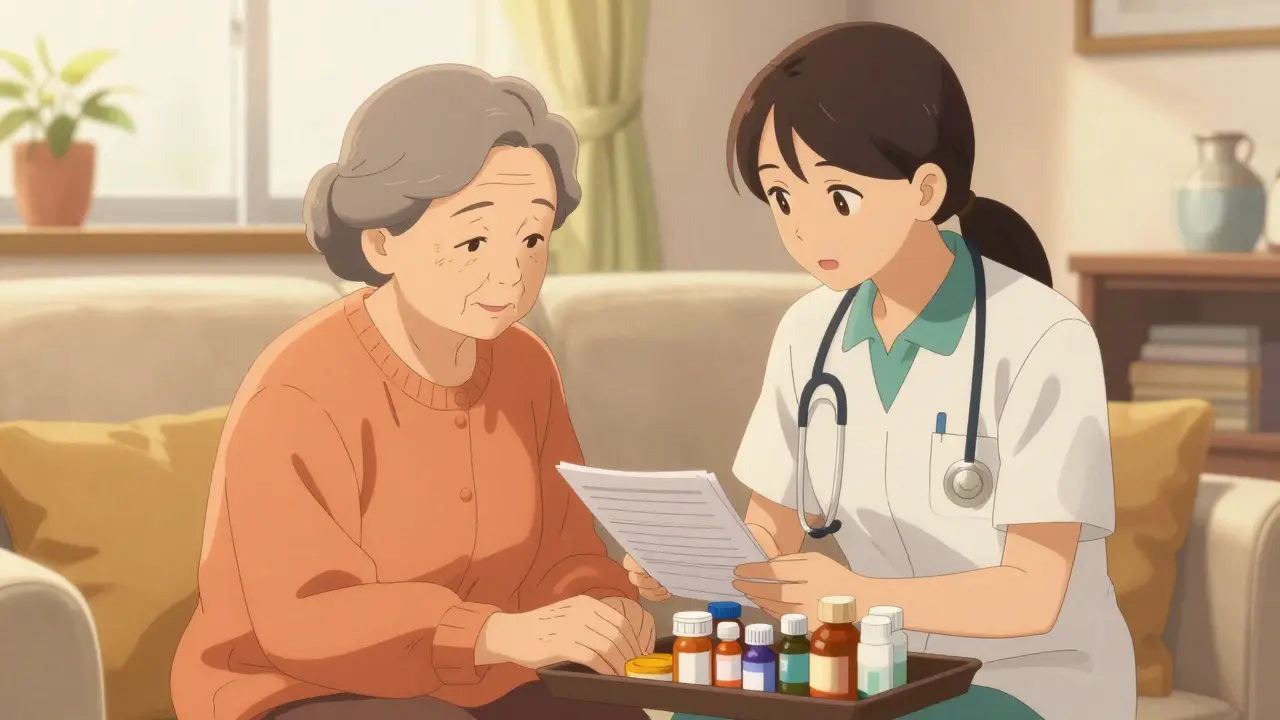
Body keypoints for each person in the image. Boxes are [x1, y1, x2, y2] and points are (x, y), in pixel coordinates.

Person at [624, 23, 1136, 720]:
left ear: (926, 190)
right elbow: (773, 529)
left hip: (1025, 679)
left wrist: (855, 596)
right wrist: (689, 562)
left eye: (837, 197)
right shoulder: (809, 332)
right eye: (781, 197)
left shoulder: (1044, 337)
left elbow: (1032, 591)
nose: (803, 228)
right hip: (864, 671)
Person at [171, 65, 654, 720]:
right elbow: (301, 618)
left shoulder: (525, 367)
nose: (510, 274)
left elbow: (565, 551)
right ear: (381, 243)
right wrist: (489, 633)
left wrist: (604, 608)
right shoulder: (300, 386)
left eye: (533, 238)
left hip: (488, 679)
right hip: (295, 689)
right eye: (474, 239)